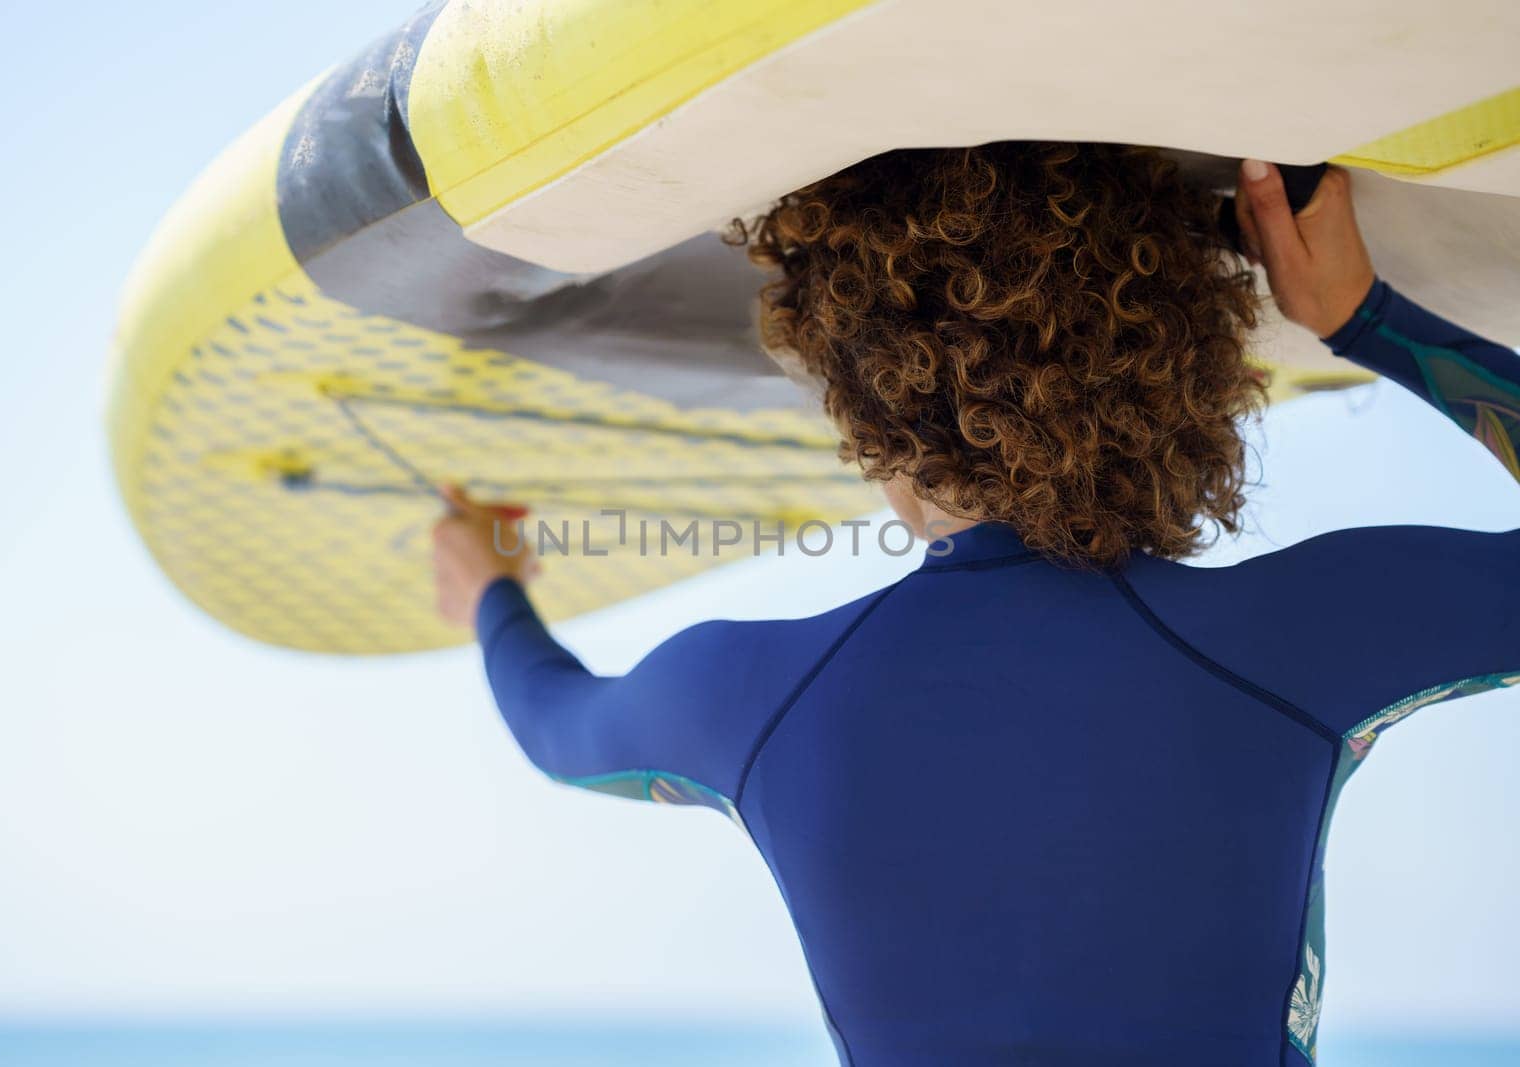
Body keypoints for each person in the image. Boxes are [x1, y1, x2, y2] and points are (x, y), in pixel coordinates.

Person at [430, 144, 1519, 1066]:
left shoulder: (752, 696)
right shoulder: (1291, 637)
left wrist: (491, 592)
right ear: (1186, 379)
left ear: (864, 407)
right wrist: (1369, 320)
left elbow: (554, 723)